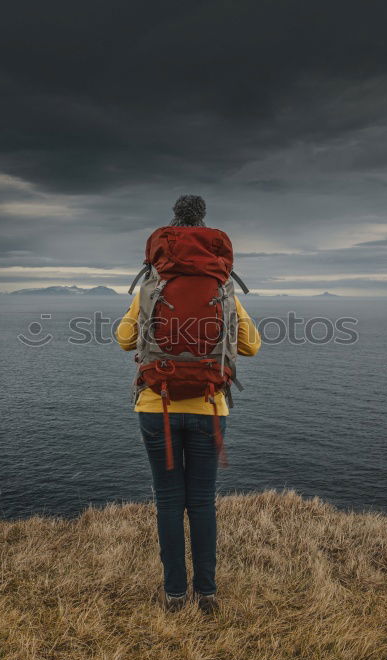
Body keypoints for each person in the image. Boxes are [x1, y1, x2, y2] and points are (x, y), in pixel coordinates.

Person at [116, 194, 261, 615]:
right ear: (206, 230)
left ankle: (175, 595)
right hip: (210, 407)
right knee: (201, 500)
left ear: (168, 233)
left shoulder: (149, 288)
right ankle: (208, 593)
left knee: (167, 499)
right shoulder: (223, 290)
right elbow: (251, 346)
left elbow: (124, 339)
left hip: (154, 405)